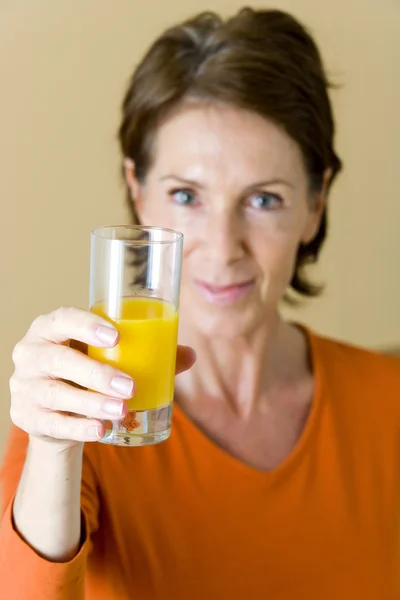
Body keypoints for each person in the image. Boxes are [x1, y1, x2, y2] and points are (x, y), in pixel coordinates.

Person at [1, 7, 400, 600]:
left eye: (264, 200)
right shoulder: (79, 423)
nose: (221, 247)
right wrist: (55, 446)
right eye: (186, 194)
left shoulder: (387, 402)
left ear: (315, 205)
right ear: (137, 192)